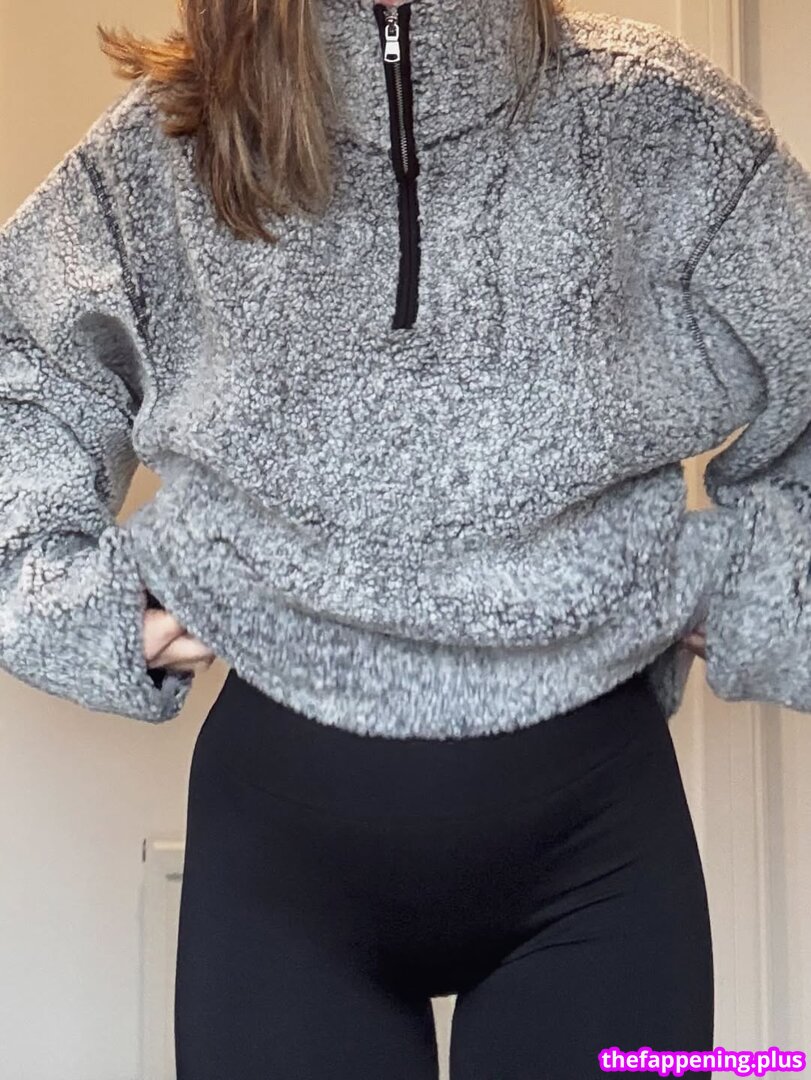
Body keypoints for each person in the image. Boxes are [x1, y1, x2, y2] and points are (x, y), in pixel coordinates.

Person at [1, 0, 809, 1075]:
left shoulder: (652, 115)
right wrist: (92, 611)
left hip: (599, 865)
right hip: (279, 877)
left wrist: (751, 585)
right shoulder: (169, 143)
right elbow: (23, 380)